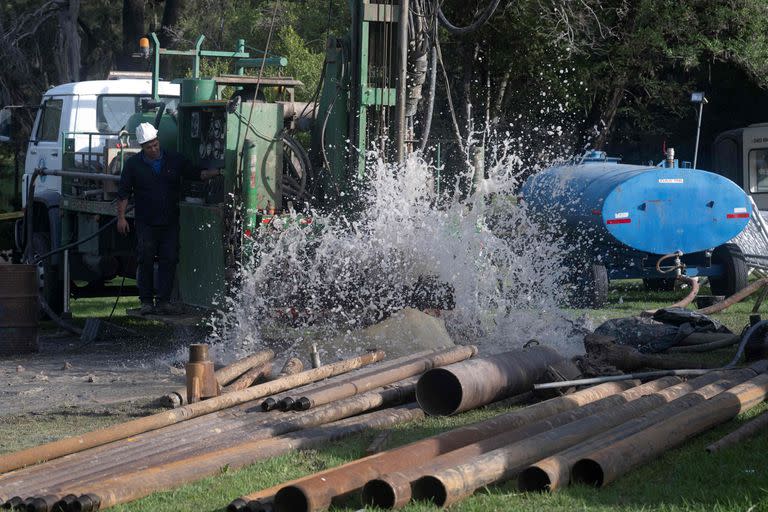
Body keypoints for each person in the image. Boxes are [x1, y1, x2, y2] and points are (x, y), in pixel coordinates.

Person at [116, 122, 221, 315]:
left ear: (158, 140)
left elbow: (195, 173)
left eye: (155, 144)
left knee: (170, 258)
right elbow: (123, 193)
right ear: (142, 147)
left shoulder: (174, 159)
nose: (154, 149)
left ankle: (163, 301)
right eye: (149, 147)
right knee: (145, 258)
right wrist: (121, 218)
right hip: (146, 221)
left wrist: (217, 172)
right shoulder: (133, 165)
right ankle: (146, 301)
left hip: (169, 220)